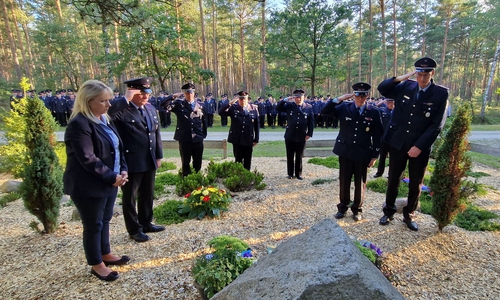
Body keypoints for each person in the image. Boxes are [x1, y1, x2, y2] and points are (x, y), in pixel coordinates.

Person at [64, 79, 130, 281]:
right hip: (88, 186)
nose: (109, 105)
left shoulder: (103, 119)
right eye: (104, 101)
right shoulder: (79, 124)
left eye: (109, 100)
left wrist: (123, 170)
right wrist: (112, 177)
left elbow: (117, 148)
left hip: (110, 181)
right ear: (88, 101)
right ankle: (96, 263)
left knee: (105, 219)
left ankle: (105, 253)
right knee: (93, 224)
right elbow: (87, 158)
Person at [378, 57, 448, 231]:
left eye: (425, 74)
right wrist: (402, 77)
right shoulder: (405, 86)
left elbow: (437, 124)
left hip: (419, 147)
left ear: (432, 73)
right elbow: (383, 88)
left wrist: (419, 146)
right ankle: (388, 211)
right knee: (393, 178)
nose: (421, 78)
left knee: (416, 182)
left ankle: (409, 214)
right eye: (419, 74)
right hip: (398, 142)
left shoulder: (440, 93)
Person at [108, 77, 165, 243]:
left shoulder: (150, 109)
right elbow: (108, 113)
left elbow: (156, 134)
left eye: (147, 93)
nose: (145, 96)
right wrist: (125, 99)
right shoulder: (122, 110)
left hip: (149, 158)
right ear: (132, 92)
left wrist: (159, 155)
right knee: (130, 197)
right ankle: (134, 229)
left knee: (148, 193)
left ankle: (146, 222)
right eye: (141, 93)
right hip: (131, 161)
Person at [321, 83, 383, 221]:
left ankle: (357, 209)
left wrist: (375, 155)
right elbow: (325, 111)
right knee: (344, 181)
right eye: (357, 95)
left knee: (360, 183)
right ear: (353, 95)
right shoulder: (344, 107)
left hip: (362, 153)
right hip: (345, 151)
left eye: (363, 95)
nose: (360, 98)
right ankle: (342, 207)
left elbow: (378, 135)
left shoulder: (374, 111)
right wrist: (339, 99)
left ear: (367, 95)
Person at [160, 83, 208, 177]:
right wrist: (172, 96)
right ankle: (185, 181)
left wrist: (203, 134)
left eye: (191, 92)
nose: (189, 94)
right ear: (184, 93)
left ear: (194, 93)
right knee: (185, 162)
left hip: (198, 138)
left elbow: (204, 121)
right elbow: (163, 105)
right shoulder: (178, 105)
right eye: (186, 92)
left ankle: (196, 180)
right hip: (184, 138)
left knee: (198, 162)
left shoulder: (201, 105)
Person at [276, 89, 314, 180]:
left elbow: (311, 122)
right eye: (296, 97)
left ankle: (298, 174)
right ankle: (290, 173)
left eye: (300, 97)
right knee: (290, 155)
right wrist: (285, 100)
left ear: (303, 97)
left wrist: (309, 133)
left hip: (301, 135)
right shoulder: (289, 106)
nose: (298, 99)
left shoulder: (308, 107)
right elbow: (277, 108)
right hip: (290, 135)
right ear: (294, 98)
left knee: (299, 156)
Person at [219, 91, 260, 170]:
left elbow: (256, 125)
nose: (243, 100)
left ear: (247, 99)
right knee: (238, 160)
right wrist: (229, 103)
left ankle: (246, 178)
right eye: (241, 99)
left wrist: (256, 139)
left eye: (244, 99)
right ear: (238, 99)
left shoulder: (253, 109)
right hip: (237, 139)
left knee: (248, 160)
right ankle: (238, 178)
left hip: (248, 139)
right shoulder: (234, 108)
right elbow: (221, 112)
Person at [374, 98, 395, 178]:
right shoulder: (382, 110)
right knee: (382, 156)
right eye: (389, 102)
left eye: (392, 102)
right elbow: (374, 108)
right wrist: (380, 102)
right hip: (384, 138)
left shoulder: (397, 112)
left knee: (393, 158)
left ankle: (391, 174)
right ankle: (379, 172)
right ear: (386, 103)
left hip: (393, 139)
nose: (390, 104)